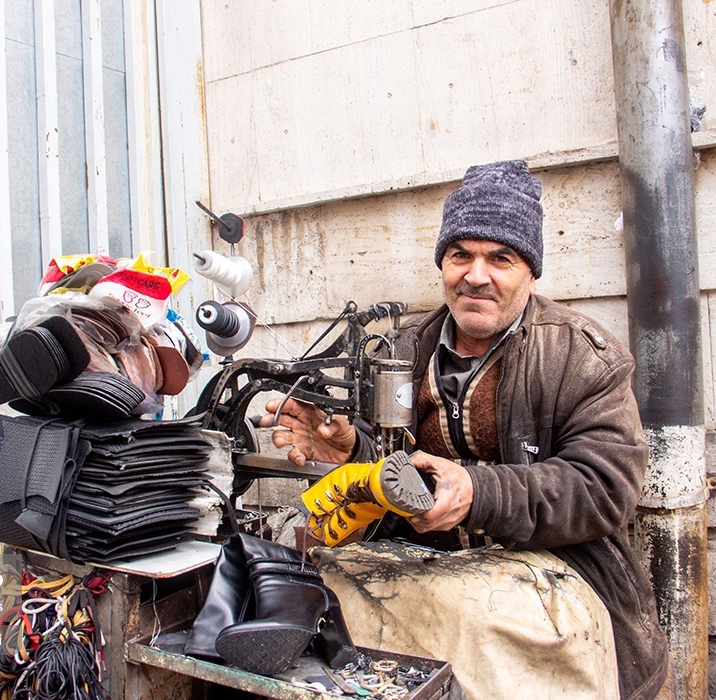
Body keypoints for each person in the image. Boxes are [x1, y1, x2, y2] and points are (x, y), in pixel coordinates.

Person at [260, 160, 671, 700]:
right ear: (443, 264)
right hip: (436, 588)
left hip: (561, 587)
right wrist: (348, 448)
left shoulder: (580, 356)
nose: (476, 275)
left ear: (530, 270)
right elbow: (394, 464)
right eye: (461, 255)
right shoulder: (403, 351)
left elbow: (604, 490)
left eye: (500, 258)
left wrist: (478, 492)